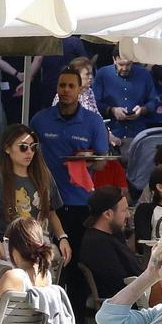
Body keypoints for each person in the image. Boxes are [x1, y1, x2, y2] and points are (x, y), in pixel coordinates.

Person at [31, 67, 110, 296]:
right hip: (44, 202)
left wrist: (86, 160)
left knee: (76, 262)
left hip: (79, 202)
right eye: (62, 85)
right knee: (43, 259)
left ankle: (76, 310)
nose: (66, 90)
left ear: (80, 89)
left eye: (71, 86)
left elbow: (102, 162)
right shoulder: (41, 119)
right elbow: (27, 152)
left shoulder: (93, 122)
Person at [0, 124, 71, 270]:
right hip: (7, 248)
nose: (29, 152)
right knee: (11, 284)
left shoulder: (43, 174)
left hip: (39, 247)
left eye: (33, 147)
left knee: (39, 284)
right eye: (23, 147)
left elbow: (51, 212)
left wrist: (62, 237)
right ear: (7, 148)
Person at [79, 186, 142, 299]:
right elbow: (117, 283)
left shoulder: (113, 235)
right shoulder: (97, 245)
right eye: (124, 210)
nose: (128, 215)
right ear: (108, 214)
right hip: (127, 302)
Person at [93, 48, 158, 144]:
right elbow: (94, 103)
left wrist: (142, 109)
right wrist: (112, 110)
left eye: (128, 64)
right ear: (114, 60)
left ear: (133, 60)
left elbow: (153, 102)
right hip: (111, 133)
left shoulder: (144, 74)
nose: (124, 68)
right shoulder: (103, 74)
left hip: (137, 134)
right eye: (121, 64)